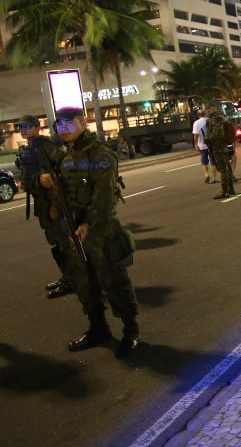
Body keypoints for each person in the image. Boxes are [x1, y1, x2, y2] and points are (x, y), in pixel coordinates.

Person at [39, 107, 139, 358]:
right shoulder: (62, 155)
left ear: (82, 122)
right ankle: (98, 328)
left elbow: (105, 197)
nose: (62, 129)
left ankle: (131, 331)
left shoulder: (100, 154)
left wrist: (87, 225)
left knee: (114, 282)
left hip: (99, 231)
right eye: (58, 124)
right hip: (71, 230)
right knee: (84, 283)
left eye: (68, 123)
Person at [15, 115, 71, 299]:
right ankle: (66, 277)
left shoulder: (45, 146)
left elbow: (57, 174)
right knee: (54, 241)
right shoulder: (30, 148)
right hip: (41, 200)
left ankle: (72, 280)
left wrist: (56, 204)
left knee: (62, 241)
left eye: (27, 126)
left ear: (37, 127)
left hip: (51, 201)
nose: (23, 129)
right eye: (20, 127)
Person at [205, 101, 236, 199]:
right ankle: (231, 189)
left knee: (223, 170)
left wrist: (207, 138)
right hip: (222, 146)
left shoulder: (216, 119)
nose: (208, 111)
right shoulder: (222, 117)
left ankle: (225, 191)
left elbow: (216, 134)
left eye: (208, 108)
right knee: (227, 168)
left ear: (212, 108)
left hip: (218, 146)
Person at [192, 108, 217, 184]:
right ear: (204, 114)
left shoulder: (196, 123)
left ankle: (206, 174)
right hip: (211, 145)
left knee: (204, 161)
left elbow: (196, 135)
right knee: (213, 162)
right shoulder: (209, 120)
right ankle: (214, 178)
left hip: (202, 145)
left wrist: (196, 144)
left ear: (198, 115)